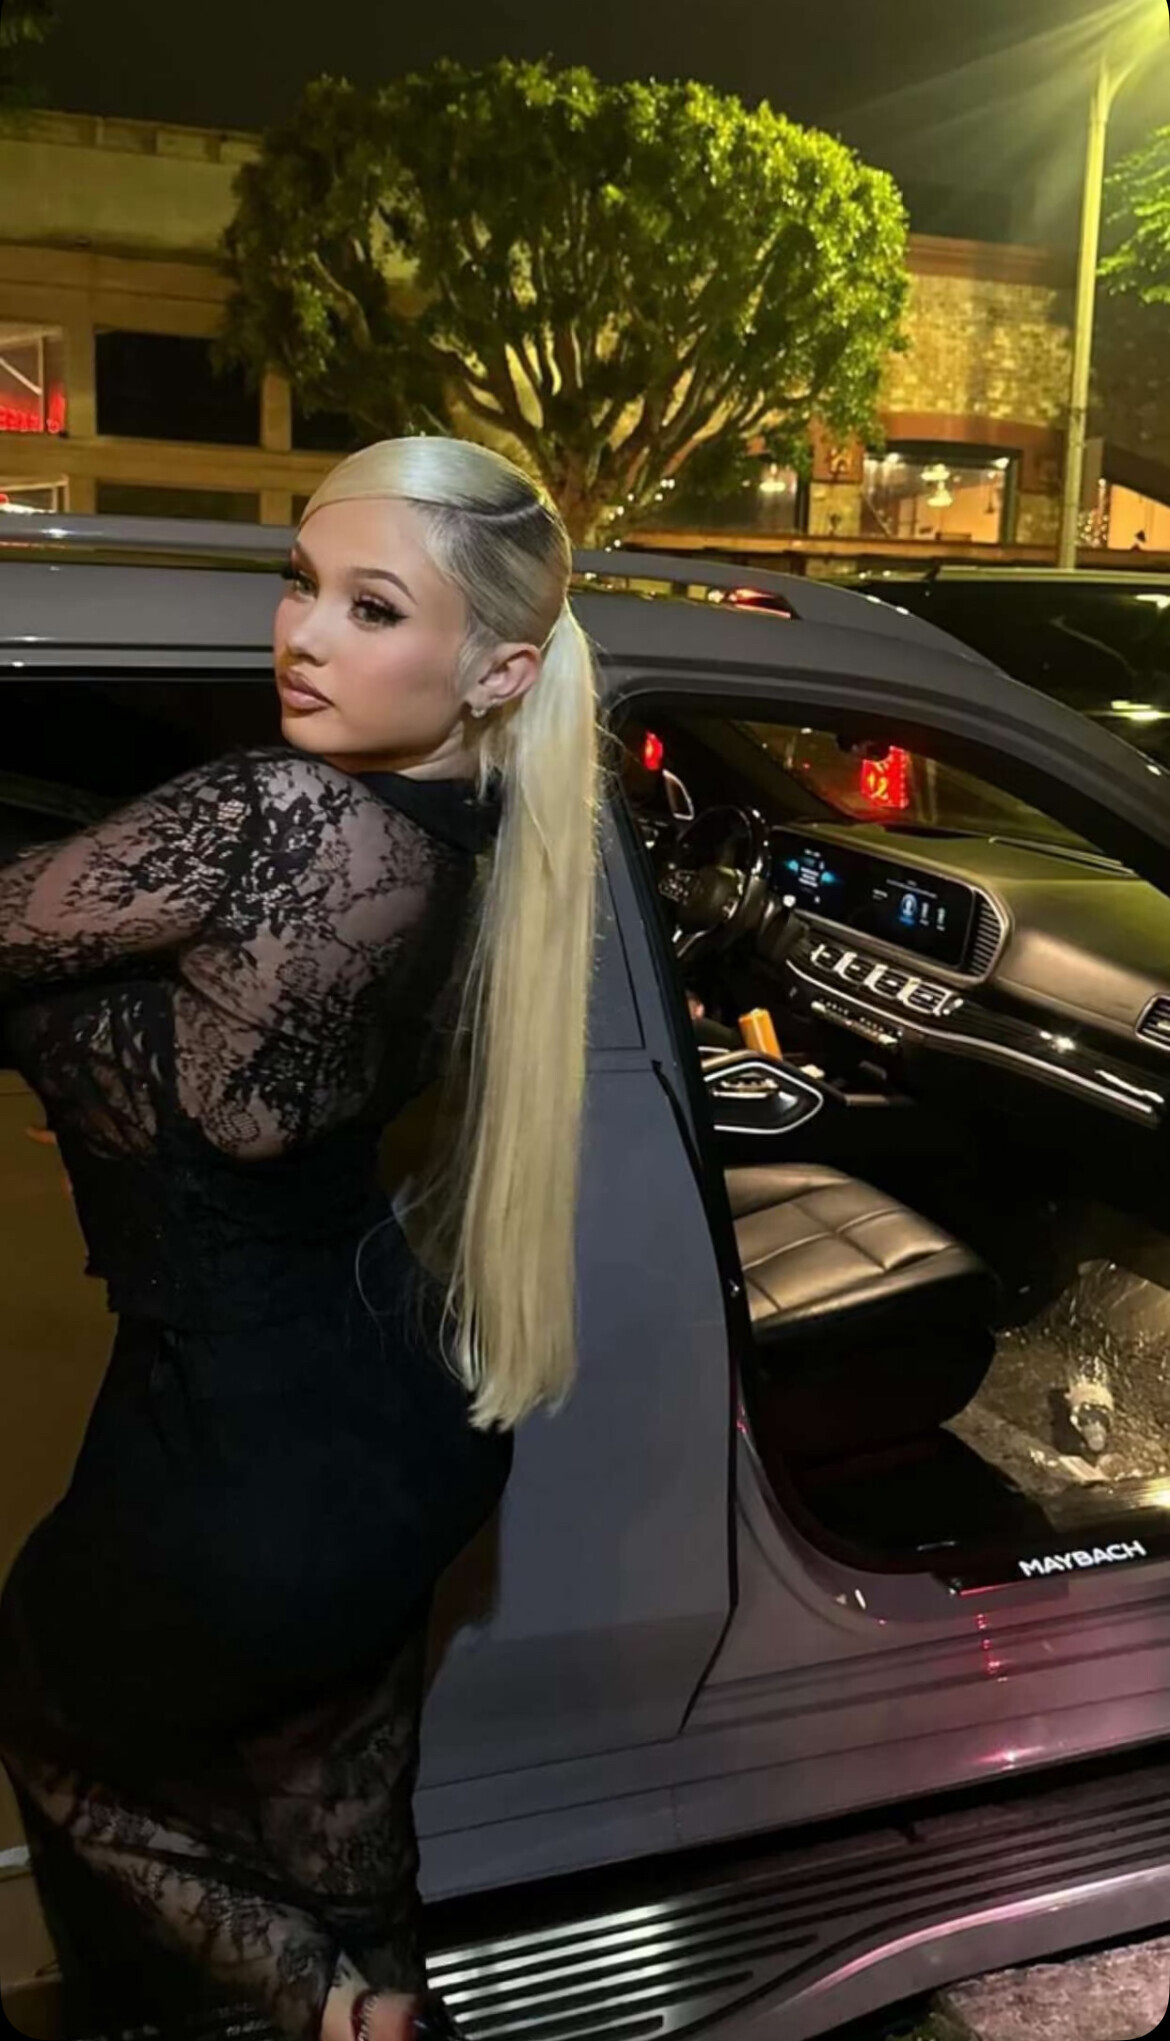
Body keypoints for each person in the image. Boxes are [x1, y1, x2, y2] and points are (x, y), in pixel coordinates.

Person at [0, 437, 600, 2041]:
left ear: (498, 669)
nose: (302, 635)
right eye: (299, 582)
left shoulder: (277, 813)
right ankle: (369, 1985)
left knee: (60, 1733)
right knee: (335, 1826)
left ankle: (335, 2013)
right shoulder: (481, 836)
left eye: (371, 606)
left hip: (231, 1452)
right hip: (394, 1413)